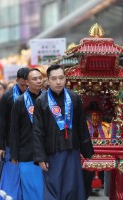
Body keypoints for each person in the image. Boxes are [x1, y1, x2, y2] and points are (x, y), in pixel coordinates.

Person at [33, 64, 94, 200]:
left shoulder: (74, 98)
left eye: (61, 78)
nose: (58, 82)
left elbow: (81, 126)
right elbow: (37, 131)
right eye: (54, 79)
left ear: (66, 78)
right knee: (53, 189)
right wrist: (40, 157)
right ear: (47, 81)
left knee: (72, 188)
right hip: (52, 153)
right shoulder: (41, 101)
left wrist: (87, 152)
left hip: (72, 151)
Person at [10, 68, 44, 199]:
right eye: (34, 79)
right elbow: (14, 129)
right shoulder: (19, 101)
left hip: (46, 152)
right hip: (26, 152)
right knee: (30, 188)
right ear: (27, 82)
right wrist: (14, 153)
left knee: (44, 189)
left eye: (40, 78)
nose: (38, 81)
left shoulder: (48, 99)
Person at [0, 67, 29, 200]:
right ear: (17, 81)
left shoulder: (37, 95)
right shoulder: (8, 96)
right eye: (22, 85)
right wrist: (0, 146)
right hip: (12, 144)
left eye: (28, 84)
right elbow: (2, 122)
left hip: (30, 144)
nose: (25, 87)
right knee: (11, 177)